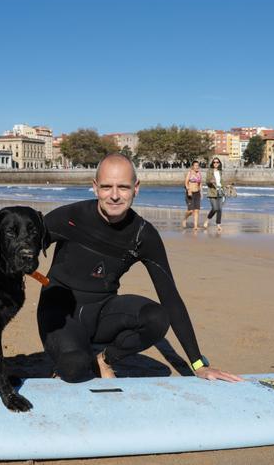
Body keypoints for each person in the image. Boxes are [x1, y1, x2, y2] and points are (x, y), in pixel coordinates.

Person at [38, 153, 242, 384]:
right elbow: (22, 242)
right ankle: (72, 353)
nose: (114, 195)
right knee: (75, 367)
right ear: (95, 188)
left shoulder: (142, 235)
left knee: (156, 317)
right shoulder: (70, 217)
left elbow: (170, 297)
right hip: (60, 313)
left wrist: (198, 364)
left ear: (136, 188)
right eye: (107, 187)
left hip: (102, 313)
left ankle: (104, 359)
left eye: (123, 187)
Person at [204, 157, 225, 232]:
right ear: (212, 163)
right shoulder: (210, 171)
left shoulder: (220, 171)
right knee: (215, 208)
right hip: (212, 191)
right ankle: (207, 220)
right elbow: (207, 181)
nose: (216, 163)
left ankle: (218, 225)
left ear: (219, 163)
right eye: (214, 162)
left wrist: (225, 186)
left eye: (217, 162)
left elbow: (221, 181)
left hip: (220, 191)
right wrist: (210, 181)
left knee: (219, 209)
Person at [181, 161, 203, 230]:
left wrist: (201, 193)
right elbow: (186, 182)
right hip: (190, 193)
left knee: (196, 210)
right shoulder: (189, 173)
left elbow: (200, 183)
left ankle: (195, 226)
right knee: (190, 210)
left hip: (197, 193)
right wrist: (188, 190)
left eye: (198, 165)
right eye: (195, 165)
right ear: (193, 166)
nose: (197, 167)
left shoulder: (199, 173)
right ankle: (184, 219)